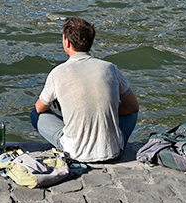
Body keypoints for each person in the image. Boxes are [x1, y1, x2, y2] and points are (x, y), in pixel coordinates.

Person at [30, 17, 138, 163]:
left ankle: (72, 132)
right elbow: (133, 107)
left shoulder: (58, 72)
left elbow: (39, 108)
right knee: (131, 114)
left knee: (35, 115)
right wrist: (103, 110)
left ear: (67, 42)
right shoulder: (110, 68)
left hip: (75, 152)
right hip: (113, 151)